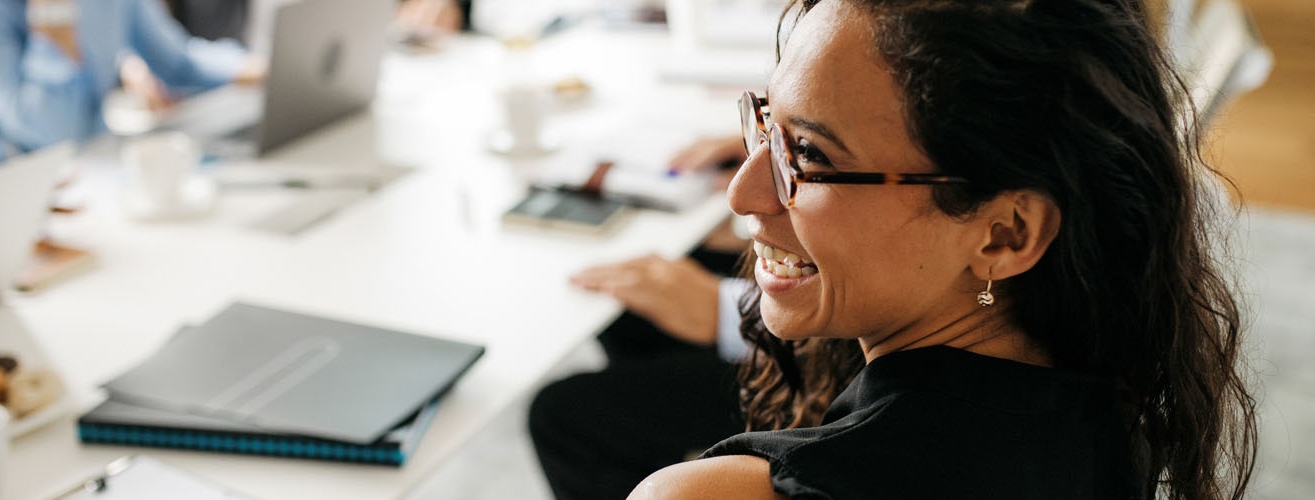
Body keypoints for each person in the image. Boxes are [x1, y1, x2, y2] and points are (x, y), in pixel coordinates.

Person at [631, 0, 1258, 499]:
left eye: (811, 155)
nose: (743, 194)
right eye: (769, 125)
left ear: (1004, 234)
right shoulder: (1104, 408)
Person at [528, 135, 753, 500]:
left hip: (828, 360)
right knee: (629, 306)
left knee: (564, 415)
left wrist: (729, 310)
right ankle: (672, 459)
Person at [0, 0, 264, 179]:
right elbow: (52, 134)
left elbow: (177, 63)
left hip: (97, 170)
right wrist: (53, 15)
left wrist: (253, 68)